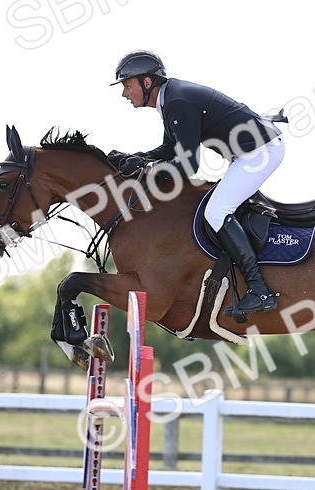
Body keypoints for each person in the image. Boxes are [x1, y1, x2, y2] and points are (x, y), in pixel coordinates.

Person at [108, 50, 284, 317]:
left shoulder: (177, 100)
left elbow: (189, 166)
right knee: (217, 209)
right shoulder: (170, 99)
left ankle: (260, 290)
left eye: (127, 85)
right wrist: (139, 157)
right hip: (250, 152)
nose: (124, 94)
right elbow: (170, 148)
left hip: (261, 152)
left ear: (146, 83)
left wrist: (148, 168)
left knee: (216, 211)